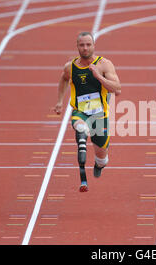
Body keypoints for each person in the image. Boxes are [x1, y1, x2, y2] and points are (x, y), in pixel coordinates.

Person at [54, 32, 121, 192]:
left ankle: (99, 164)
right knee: (80, 127)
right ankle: (82, 145)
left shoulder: (104, 64)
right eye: (82, 45)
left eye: (88, 45)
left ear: (93, 46)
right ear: (77, 46)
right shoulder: (70, 67)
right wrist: (59, 101)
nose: (85, 48)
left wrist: (98, 76)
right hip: (81, 111)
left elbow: (117, 90)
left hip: (100, 115)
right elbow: (63, 79)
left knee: (102, 159)